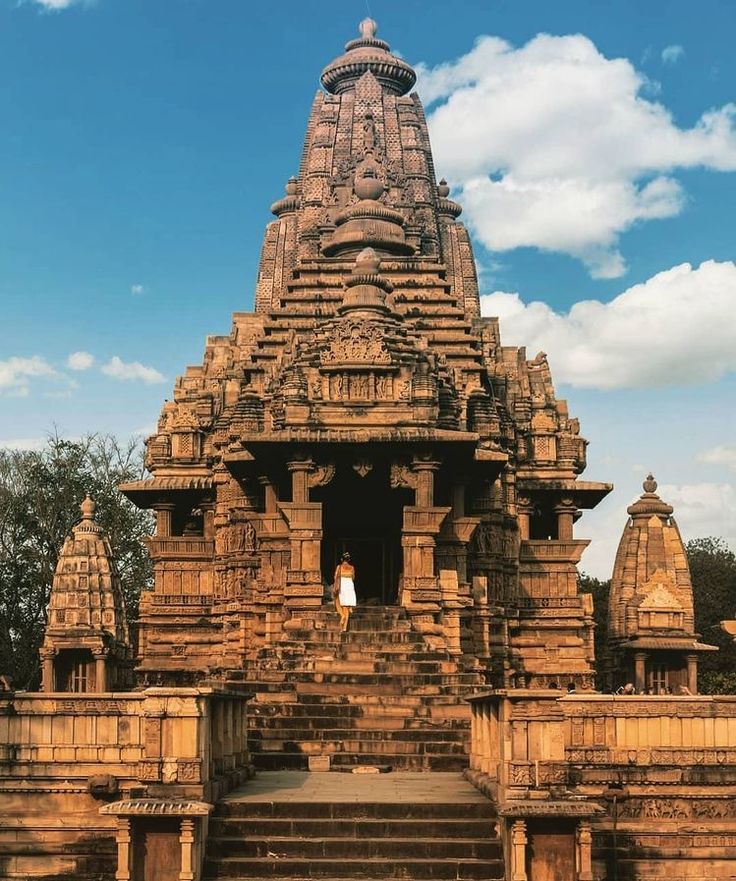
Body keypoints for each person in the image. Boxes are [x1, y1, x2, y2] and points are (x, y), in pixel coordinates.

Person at [334, 552, 357, 632]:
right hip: (350, 586)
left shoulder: (339, 567)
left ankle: (342, 615)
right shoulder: (351, 567)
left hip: (342, 586)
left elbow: (335, 577)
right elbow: (353, 577)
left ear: (341, 559)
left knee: (338, 602)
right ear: (349, 560)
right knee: (346, 607)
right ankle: (344, 627)